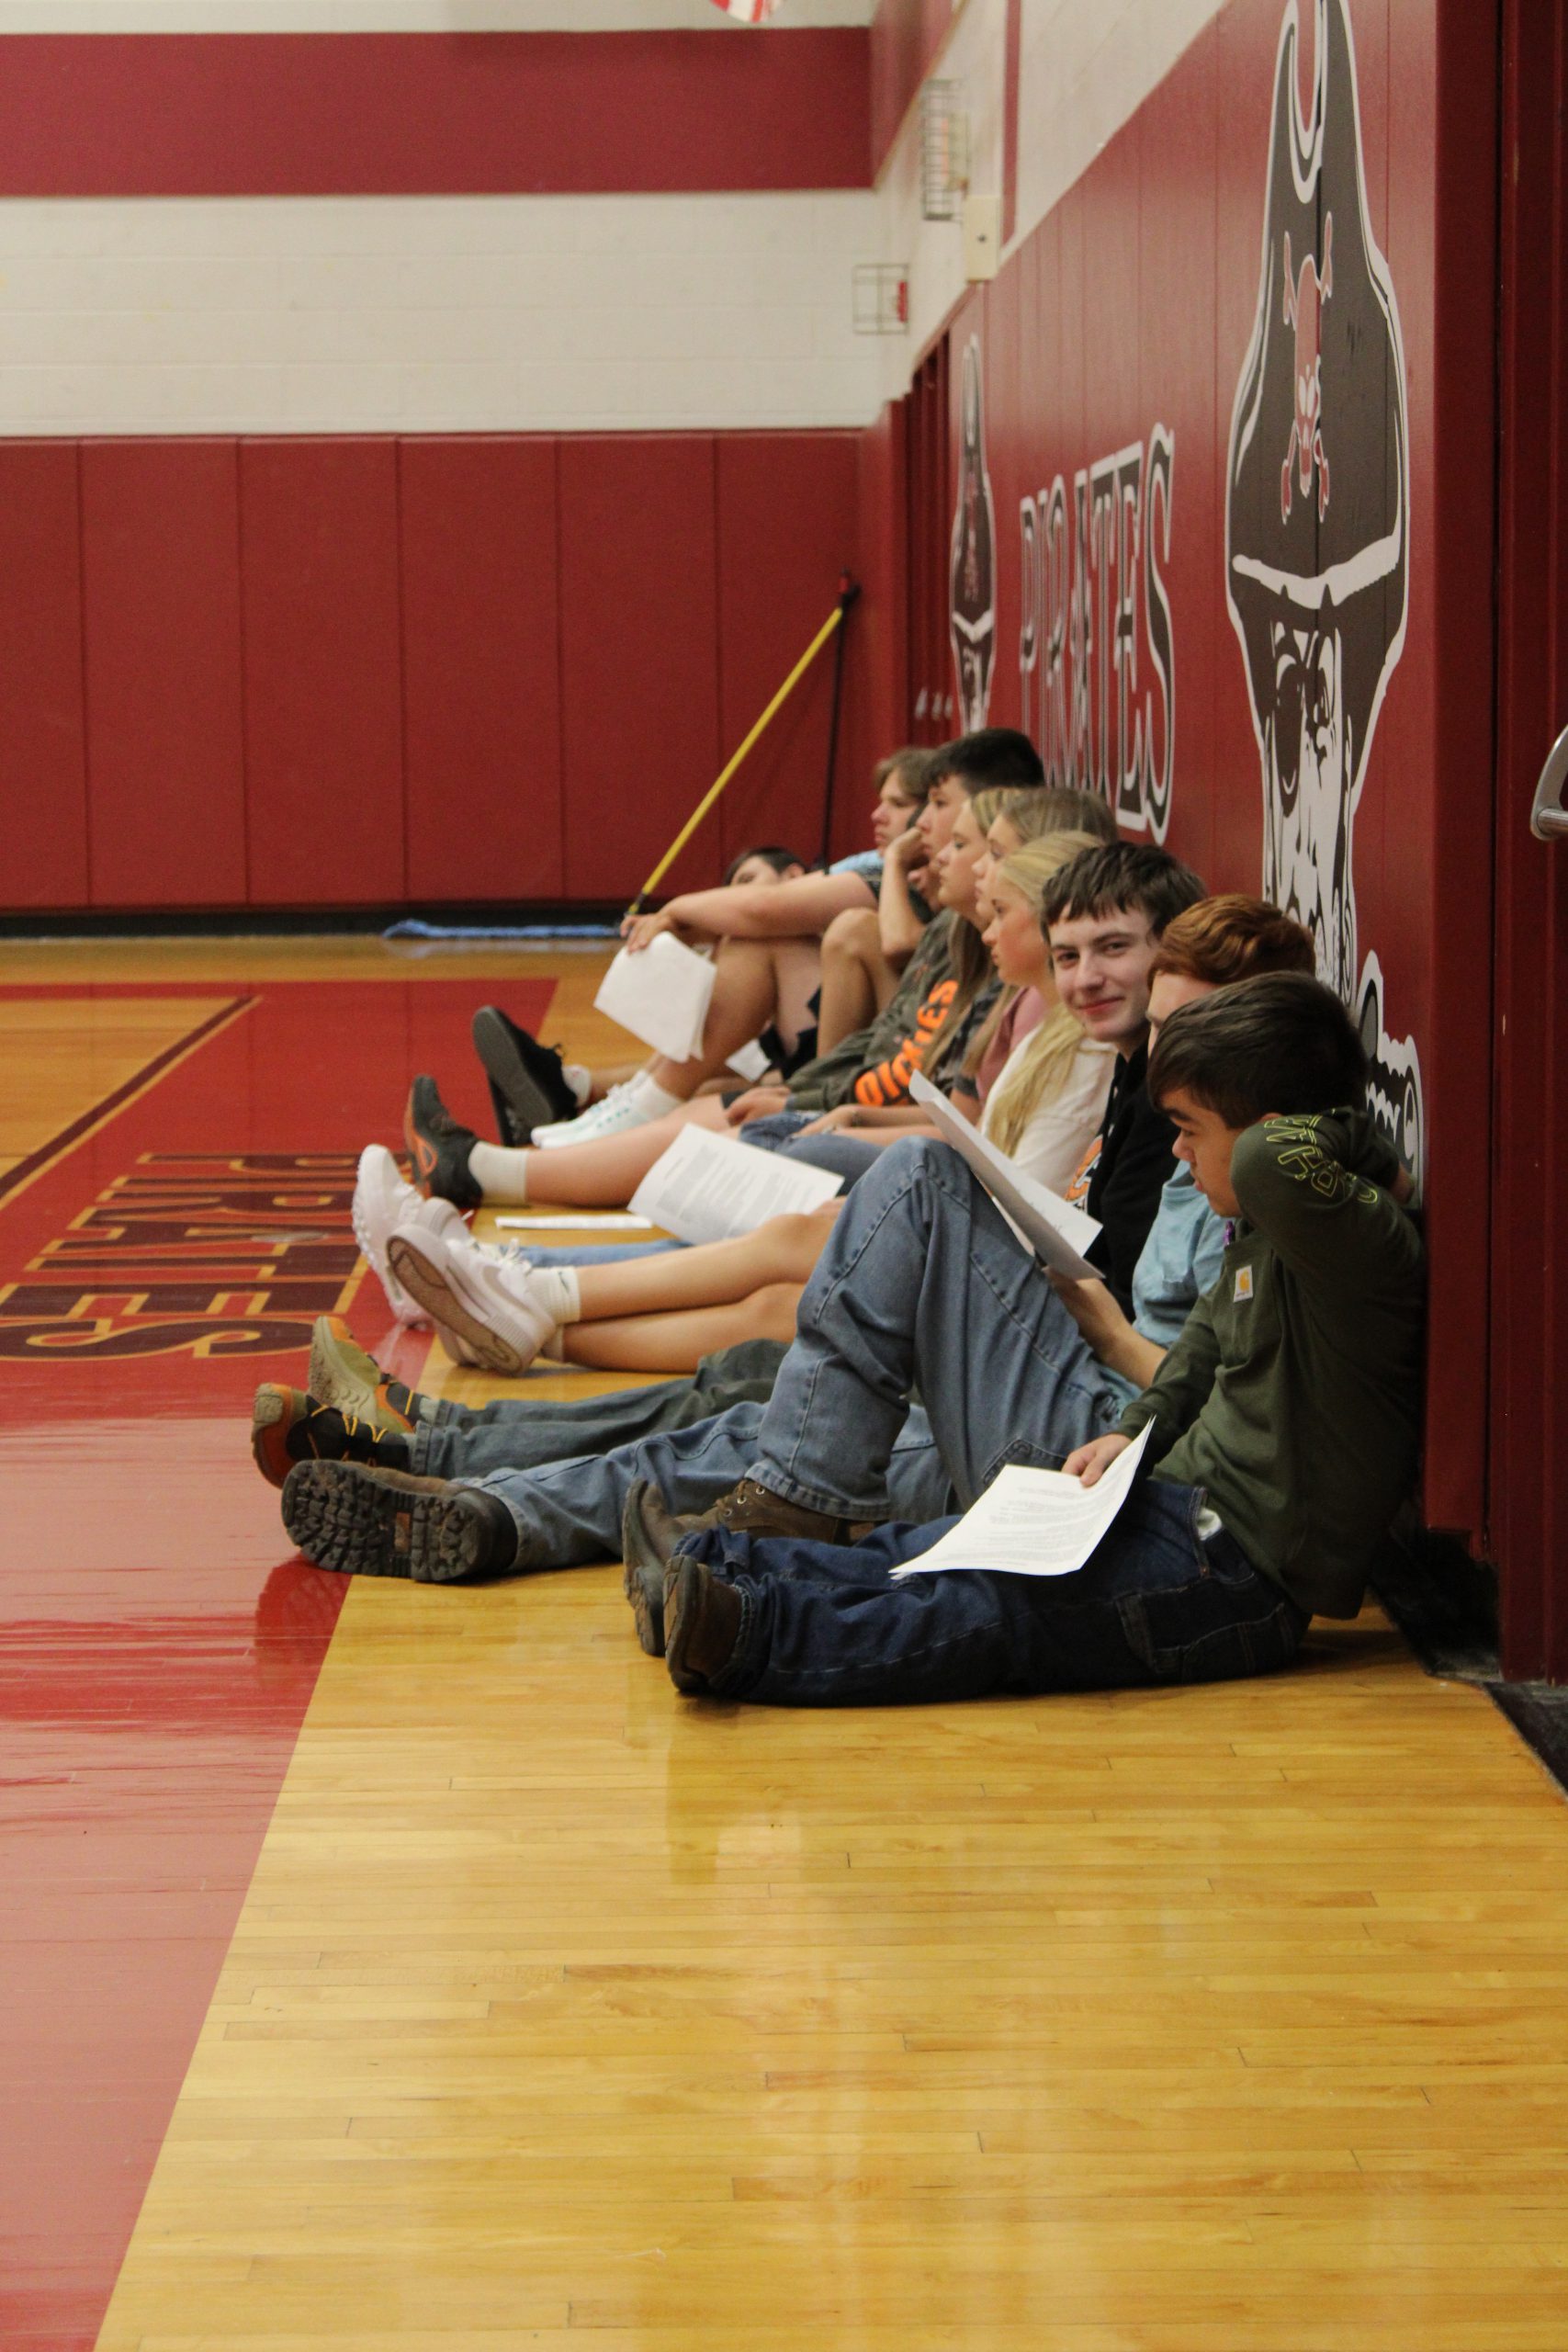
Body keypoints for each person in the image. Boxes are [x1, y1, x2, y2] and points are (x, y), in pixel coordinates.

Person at [265, 847, 1204, 1577]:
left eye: (1114, 951)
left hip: (1082, 1430)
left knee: (756, 1393)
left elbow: (1182, 1366)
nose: (1084, 976)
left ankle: (475, 1418)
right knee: (739, 1403)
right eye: (1072, 952)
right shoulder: (1132, 1076)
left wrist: (1095, 1329)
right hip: (1053, 1382)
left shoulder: (1197, 1128)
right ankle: (461, 1474)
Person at [648, 970, 1425, 1704]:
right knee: (937, 1550)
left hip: (1236, 1582)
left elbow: (1264, 1155)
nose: (1179, 1153)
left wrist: (1359, 1148)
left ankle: (747, 1630)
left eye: (1189, 1129)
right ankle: (717, 1567)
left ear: (1272, 1126)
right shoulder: (1267, 1236)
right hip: (1169, 1510)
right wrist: (1128, 1435)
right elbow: (1196, 1358)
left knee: (986, 1611)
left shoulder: (1352, 1249)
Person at [397, 733, 1054, 1217]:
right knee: (733, 1112)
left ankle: (511, 1194)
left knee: (742, 1137)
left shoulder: (1005, 973)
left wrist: (824, 1104)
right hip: (876, 1105)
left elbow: (962, 1123)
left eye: (932, 808)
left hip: (911, 1150)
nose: (912, 825)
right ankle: (513, 1163)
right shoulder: (958, 932)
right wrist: (817, 1096)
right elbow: (903, 1057)